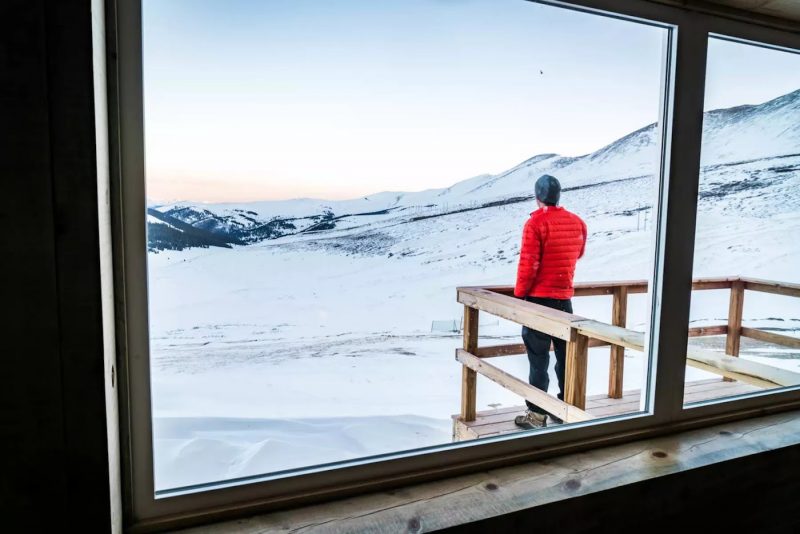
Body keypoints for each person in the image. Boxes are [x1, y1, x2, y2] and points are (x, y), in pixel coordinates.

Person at [513, 174, 587, 429]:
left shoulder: (535, 224)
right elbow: (578, 253)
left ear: (538, 197)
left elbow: (528, 264)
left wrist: (520, 295)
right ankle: (564, 408)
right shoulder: (577, 222)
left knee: (538, 359)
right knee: (566, 357)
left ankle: (536, 414)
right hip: (564, 300)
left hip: (539, 301)